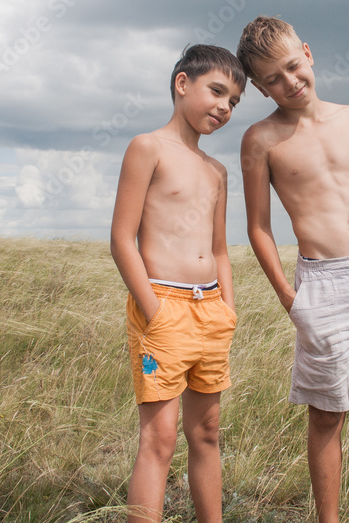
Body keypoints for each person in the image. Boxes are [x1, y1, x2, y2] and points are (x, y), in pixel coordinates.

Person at [237, 16, 349, 523]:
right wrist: (290, 300)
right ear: (257, 86)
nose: (289, 82)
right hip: (323, 283)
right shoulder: (260, 140)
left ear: (308, 54)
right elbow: (258, 228)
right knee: (326, 415)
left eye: (293, 66)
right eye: (273, 78)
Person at [110, 44, 246, 523]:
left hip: (210, 310)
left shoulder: (217, 171)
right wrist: (155, 311)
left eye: (233, 102)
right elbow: (122, 239)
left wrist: (228, 307)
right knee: (160, 437)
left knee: (206, 432)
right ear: (182, 83)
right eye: (216, 91)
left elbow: (221, 249)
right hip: (163, 306)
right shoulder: (147, 147)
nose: (224, 108)